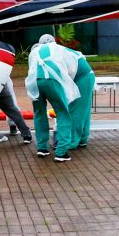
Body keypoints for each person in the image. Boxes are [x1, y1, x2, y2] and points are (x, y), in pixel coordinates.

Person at [25, 34, 81, 162]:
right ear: (53, 41)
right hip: (53, 81)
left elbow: (31, 68)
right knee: (63, 113)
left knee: (39, 114)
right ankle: (61, 152)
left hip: (36, 82)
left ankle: (42, 148)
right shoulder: (59, 48)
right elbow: (71, 67)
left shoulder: (35, 51)